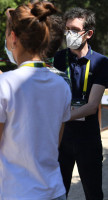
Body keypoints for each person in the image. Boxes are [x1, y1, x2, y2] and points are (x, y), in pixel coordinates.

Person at [0, 2, 71, 200]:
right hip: (54, 191)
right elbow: (54, 143)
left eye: (7, 33)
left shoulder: (4, 83)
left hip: (17, 193)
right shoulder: (61, 85)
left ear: (13, 38)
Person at [54, 7, 108, 200]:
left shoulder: (101, 62)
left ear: (88, 33)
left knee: (93, 194)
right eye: (67, 29)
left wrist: (60, 115)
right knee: (57, 194)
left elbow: (93, 105)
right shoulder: (58, 59)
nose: (69, 34)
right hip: (60, 138)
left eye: (75, 29)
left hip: (88, 139)